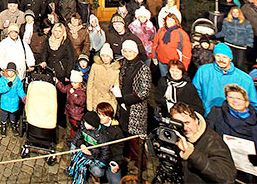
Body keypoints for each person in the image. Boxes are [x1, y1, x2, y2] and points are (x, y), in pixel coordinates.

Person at [206, 84, 257, 182]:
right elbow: (206, 135)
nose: (234, 101)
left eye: (238, 98)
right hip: (221, 168)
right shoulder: (216, 114)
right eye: (230, 97)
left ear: (247, 102)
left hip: (247, 174)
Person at [170, 102, 236, 184]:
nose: (185, 128)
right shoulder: (178, 136)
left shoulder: (213, 141)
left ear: (196, 120)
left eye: (187, 123)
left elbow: (227, 177)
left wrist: (191, 153)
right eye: (179, 124)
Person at [111, 39, 151, 171]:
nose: (128, 54)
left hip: (135, 109)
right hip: (124, 108)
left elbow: (143, 92)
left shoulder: (143, 68)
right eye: (125, 51)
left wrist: (124, 99)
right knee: (125, 135)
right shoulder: (124, 64)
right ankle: (128, 157)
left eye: (130, 51)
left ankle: (141, 164)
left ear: (135, 52)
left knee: (135, 141)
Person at [193, 42, 257, 115]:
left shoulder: (244, 78)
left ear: (230, 58)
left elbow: (254, 105)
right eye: (218, 56)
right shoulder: (204, 70)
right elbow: (195, 92)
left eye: (224, 57)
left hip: (233, 119)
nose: (221, 59)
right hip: (207, 115)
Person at [67, 111, 111, 183]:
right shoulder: (84, 128)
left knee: (81, 167)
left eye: (87, 123)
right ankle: (71, 170)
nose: (85, 124)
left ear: (93, 125)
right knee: (75, 159)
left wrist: (101, 161)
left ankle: (79, 181)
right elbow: (78, 136)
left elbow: (105, 150)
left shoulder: (100, 137)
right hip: (84, 151)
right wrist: (74, 145)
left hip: (93, 156)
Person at [152, 12, 191, 77]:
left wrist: (185, 65)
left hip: (174, 63)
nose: (169, 22)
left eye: (171, 20)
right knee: (164, 79)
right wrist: (154, 57)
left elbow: (186, 51)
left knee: (174, 80)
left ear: (175, 21)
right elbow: (155, 44)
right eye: (168, 20)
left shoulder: (181, 33)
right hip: (162, 61)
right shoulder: (161, 31)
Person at [215, 6, 254, 71]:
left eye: (237, 12)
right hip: (229, 44)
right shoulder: (226, 21)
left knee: (240, 64)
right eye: (233, 12)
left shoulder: (246, 22)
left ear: (239, 13)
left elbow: (250, 34)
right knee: (230, 62)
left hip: (241, 46)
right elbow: (224, 32)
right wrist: (215, 35)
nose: (235, 14)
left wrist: (249, 44)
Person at [56, 69, 87, 139]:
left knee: (75, 130)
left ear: (80, 83)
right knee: (68, 127)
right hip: (68, 112)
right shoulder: (70, 87)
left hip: (76, 116)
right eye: (72, 82)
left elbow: (80, 102)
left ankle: (74, 140)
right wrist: (57, 82)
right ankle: (68, 138)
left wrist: (73, 94)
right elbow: (63, 89)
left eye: (75, 83)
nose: (73, 84)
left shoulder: (82, 92)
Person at [0, 62, 26, 136]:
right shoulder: (3, 80)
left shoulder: (17, 80)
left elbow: (20, 90)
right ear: (6, 71)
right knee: (4, 115)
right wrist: (7, 86)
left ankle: (13, 125)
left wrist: (23, 96)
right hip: (5, 102)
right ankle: (3, 126)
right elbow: (1, 90)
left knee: (13, 115)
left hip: (14, 102)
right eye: (9, 71)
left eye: (13, 72)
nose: (11, 73)